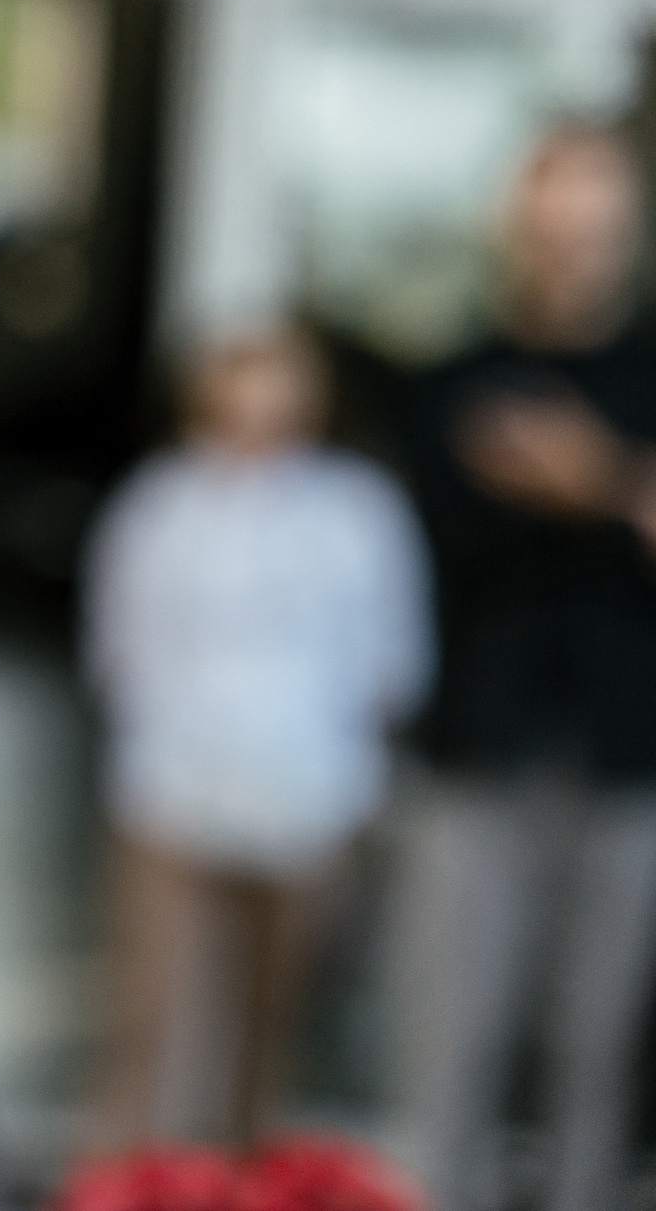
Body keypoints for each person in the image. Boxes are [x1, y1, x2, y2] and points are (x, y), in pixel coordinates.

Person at [83, 325, 431, 1150]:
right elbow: (118, 649)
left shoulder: (354, 510)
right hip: (171, 792)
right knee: (152, 1026)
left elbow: (393, 657)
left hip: (309, 796)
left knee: (269, 1031)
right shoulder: (158, 506)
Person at [393, 124, 656, 1211]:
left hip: (630, 755)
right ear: (516, 229)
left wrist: (589, 479)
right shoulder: (448, 381)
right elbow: (429, 553)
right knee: (450, 1045)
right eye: (551, 227)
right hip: (475, 752)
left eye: (590, 228)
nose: (569, 250)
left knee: (596, 1056)